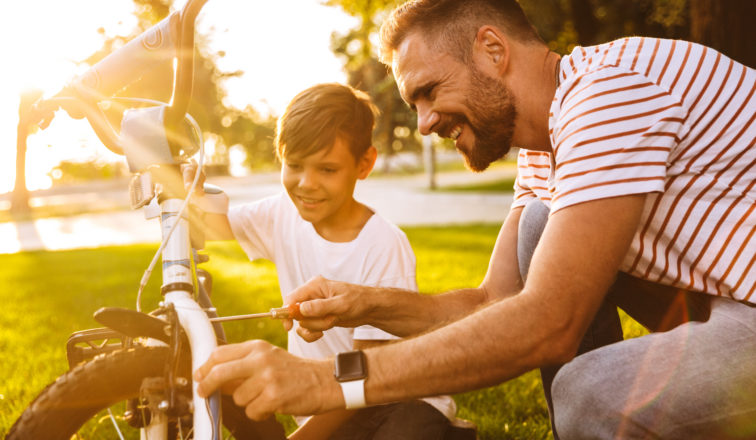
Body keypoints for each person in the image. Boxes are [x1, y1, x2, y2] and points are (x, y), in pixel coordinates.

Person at [194, 1, 756, 438]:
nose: (422, 123)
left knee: (591, 395)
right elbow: (497, 303)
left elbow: (546, 321)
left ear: (492, 49)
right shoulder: (545, 146)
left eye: (429, 91)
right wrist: (364, 302)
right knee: (539, 226)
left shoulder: (608, 93)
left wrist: (327, 380)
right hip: (731, 302)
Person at [188, 83, 457, 439]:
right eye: (294, 165)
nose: (306, 183)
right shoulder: (281, 214)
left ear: (364, 164)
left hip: (393, 402)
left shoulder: (383, 244)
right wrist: (186, 190)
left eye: (327, 170)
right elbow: (208, 224)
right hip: (329, 406)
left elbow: (370, 379)